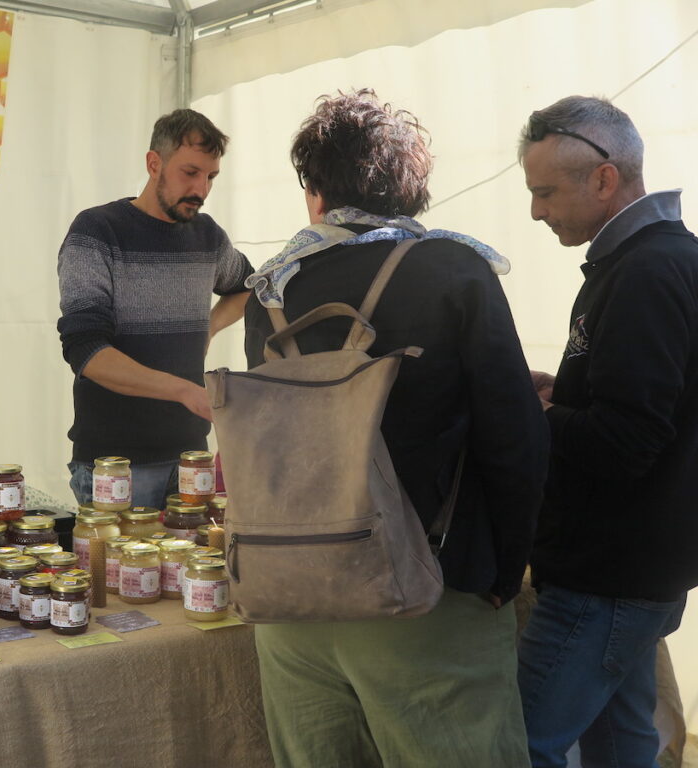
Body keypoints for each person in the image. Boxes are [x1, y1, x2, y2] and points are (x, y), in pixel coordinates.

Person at [243, 89, 548, 768]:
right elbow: (516, 440)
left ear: (314, 190)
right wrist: (507, 567)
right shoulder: (453, 269)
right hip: (423, 593)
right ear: (413, 193)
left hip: (294, 601)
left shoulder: (271, 291)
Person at [516, 96, 698, 768]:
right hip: (635, 567)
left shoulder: (648, 272)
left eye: (544, 192)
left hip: (607, 575)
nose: (537, 210)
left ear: (602, 179)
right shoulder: (652, 261)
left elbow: (628, 442)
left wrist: (538, 416)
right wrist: (569, 395)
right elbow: (658, 407)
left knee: (520, 745)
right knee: (621, 745)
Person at [57, 109, 252, 508]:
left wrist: (209, 328)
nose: (201, 188)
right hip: (115, 465)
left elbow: (251, 289)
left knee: (195, 571)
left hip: (190, 458)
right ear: (153, 163)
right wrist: (183, 390)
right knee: (116, 571)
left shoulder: (208, 236)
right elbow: (87, 353)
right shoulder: (97, 232)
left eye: (211, 177)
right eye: (190, 172)